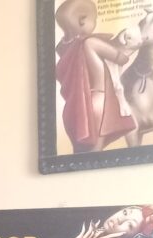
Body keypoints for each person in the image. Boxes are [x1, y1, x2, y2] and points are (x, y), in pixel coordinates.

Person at [54, 0, 135, 153]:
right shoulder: (91, 42)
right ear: (82, 20)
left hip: (72, 109)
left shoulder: (63, 48)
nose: (95, 22)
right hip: (96, 104)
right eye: (94, 19)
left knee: (80, 155)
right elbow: (122, 59)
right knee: (94, 155)